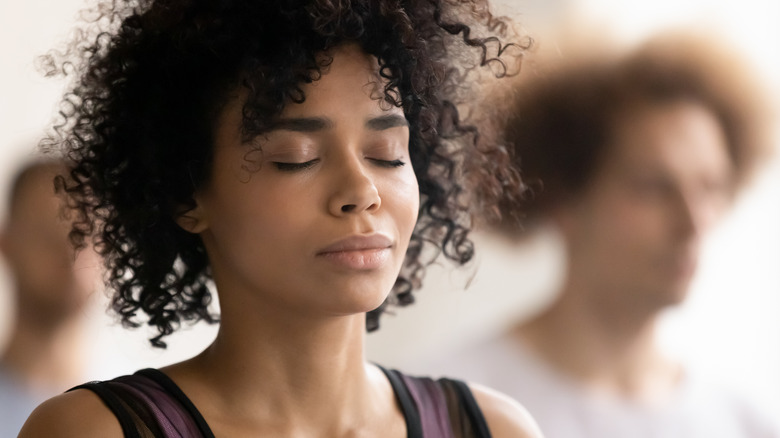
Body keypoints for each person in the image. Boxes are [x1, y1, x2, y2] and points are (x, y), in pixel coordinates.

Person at [19, 0, 542, 437]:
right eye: (296, 157)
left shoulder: (493, 429)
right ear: (186, 195)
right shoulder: (95, 431)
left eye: (386, 152)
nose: (361, 191)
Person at [421, 33, 778, 437]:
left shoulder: (745, 423)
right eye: (654, 186)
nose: (694, 221)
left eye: (711, 186)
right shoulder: (450, 406)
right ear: (563, 199)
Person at [0, 158, 100, 437]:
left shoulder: (139, 409)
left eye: (83, 236)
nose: (69, 254)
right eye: (46, 233)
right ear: (7, 244)